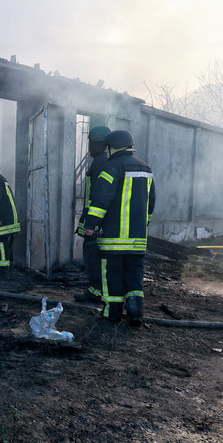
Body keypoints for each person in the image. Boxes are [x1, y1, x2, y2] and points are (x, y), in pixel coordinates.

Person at [83, 130, 155, 325]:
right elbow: (151, 204)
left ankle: (112, 313)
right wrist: (143, 225)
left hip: (113, 239)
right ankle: (135, 312)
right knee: (134, 276)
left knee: (112, 275)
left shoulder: (111, 167)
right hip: (138, 239)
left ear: (113, 147)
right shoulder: (145, 169)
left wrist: (90, 226)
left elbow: (100, 201)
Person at [75, 126, 112, 303]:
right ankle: (95, 291)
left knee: (93, 258)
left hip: (96, 224)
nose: (90, 146)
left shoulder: (102, 163)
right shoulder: (99, 161)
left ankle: (96, 293)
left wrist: (92, 223)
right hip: (94, 220)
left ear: (102, 144)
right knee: (92, 259)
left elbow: (100, 197)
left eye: (92, 143)